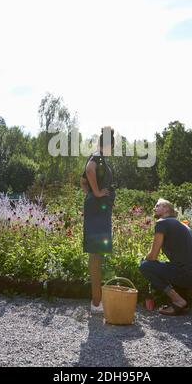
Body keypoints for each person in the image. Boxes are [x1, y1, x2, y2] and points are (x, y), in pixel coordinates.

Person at [139, 199, 192, 316]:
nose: (154, 208)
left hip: (188, 274)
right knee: (170, 270)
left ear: (166, 208)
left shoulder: (162, 223)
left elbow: (153, 256)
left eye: (157, 206)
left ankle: (178, 301)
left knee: (145, 266)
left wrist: (144, 259)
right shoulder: (180, 224)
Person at [80, 127, 115, 314]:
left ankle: (96, 301)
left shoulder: (99, 157)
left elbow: (82, 180)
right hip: (97, 210)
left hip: (97, 209)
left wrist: (91, 195)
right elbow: (89, 170)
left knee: (97, 254)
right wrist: (96, 194)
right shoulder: (97, 157)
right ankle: (96, 303)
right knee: (95, 254)